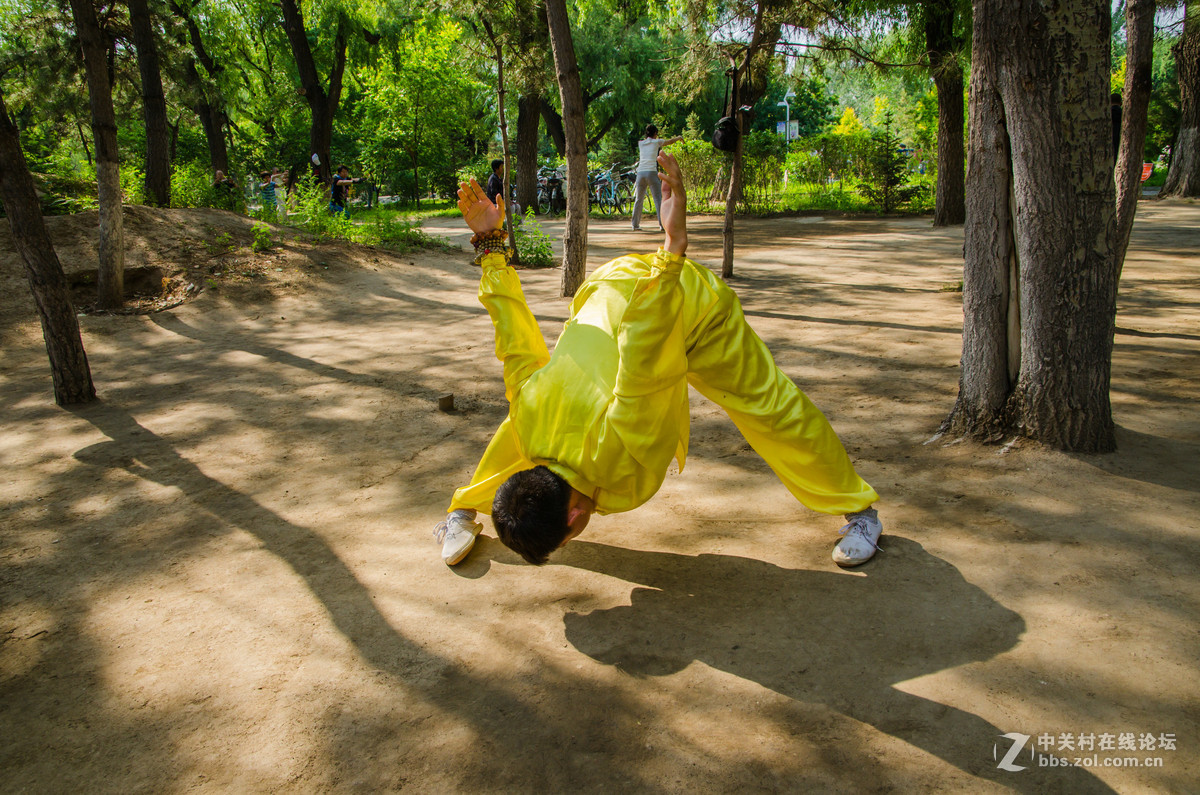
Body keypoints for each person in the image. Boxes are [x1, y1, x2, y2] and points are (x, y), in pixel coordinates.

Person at [434, 151, 883, 569]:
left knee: (768, 404)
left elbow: (643, 358)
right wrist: (490, 244)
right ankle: (464, 509)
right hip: (610, 290)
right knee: (523, 425)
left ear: (573, 521)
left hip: (689, 311)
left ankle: (861, 512)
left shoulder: (617, 451)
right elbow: (514, 341)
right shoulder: (531, 422)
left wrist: (673, 250)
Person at [632, 125, 683, 231]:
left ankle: (635, 225)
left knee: (638, 199)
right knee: (658, 199)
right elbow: (670, 141)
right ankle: (662, 224)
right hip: (651, 172)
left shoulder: (640, 143)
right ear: (655, 133)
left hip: (640, 173)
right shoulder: (657, 142)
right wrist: (679, 137)